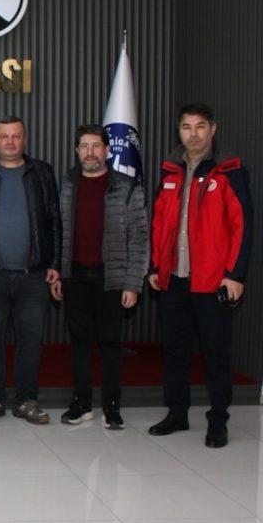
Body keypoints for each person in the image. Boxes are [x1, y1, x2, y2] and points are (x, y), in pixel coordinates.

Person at [147, 103, 252, 449]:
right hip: (174, 280)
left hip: (212, 282)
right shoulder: (170, 171)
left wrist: (235, 275)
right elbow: (158, 223)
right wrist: (154, 267)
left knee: (215, 355)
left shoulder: (229, 171)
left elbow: (242, 226)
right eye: (186, 127)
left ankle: (218, 422)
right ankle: (177, 413)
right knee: (174, 352)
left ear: (213, 129)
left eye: (200, 126)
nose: (193, 134)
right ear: (179, 131)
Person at [51, 124, 148, 430]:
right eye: (84, 146)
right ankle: (81, 404)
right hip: (75, 277)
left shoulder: (127, 186)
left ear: (107, 150)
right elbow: (60, 231)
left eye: (96, 146)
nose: (90, 152)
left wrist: (133, 282)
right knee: (79, 343)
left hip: (112, 279)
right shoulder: (67, 184)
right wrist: (58, 272)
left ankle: (112, 407)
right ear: (77, 151)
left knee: (110, 344)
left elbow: (140, 237)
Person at [0, 115, 61, 425]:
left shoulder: (42, 172)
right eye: (4, 136)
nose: (10, 141)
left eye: (16, 135)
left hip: (33, 276)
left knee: (30, 342)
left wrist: (55, 264)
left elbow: (55, 221)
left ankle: (26, 400)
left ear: (24, 139)